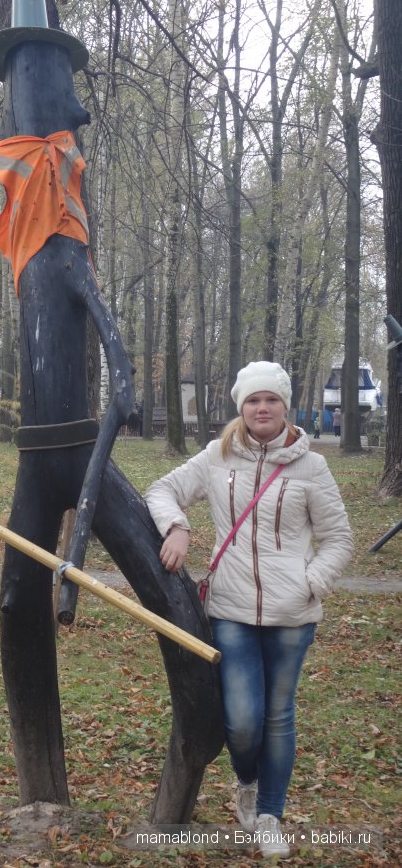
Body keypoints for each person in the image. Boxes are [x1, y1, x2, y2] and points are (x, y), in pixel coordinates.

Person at [145, 361, 353, 859]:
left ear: (285, 407)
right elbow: (161, 489)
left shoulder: (311, 465)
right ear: (242, 407)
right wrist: (178, 526)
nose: (263, 408)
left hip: (293, 616)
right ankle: (247, 783)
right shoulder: (218, 457)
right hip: (231, 610)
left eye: (272, 400)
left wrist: (312, 582)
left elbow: (339, 538)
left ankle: (269, 815)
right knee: (241, 719)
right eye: (253, 401)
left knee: (278, 716)